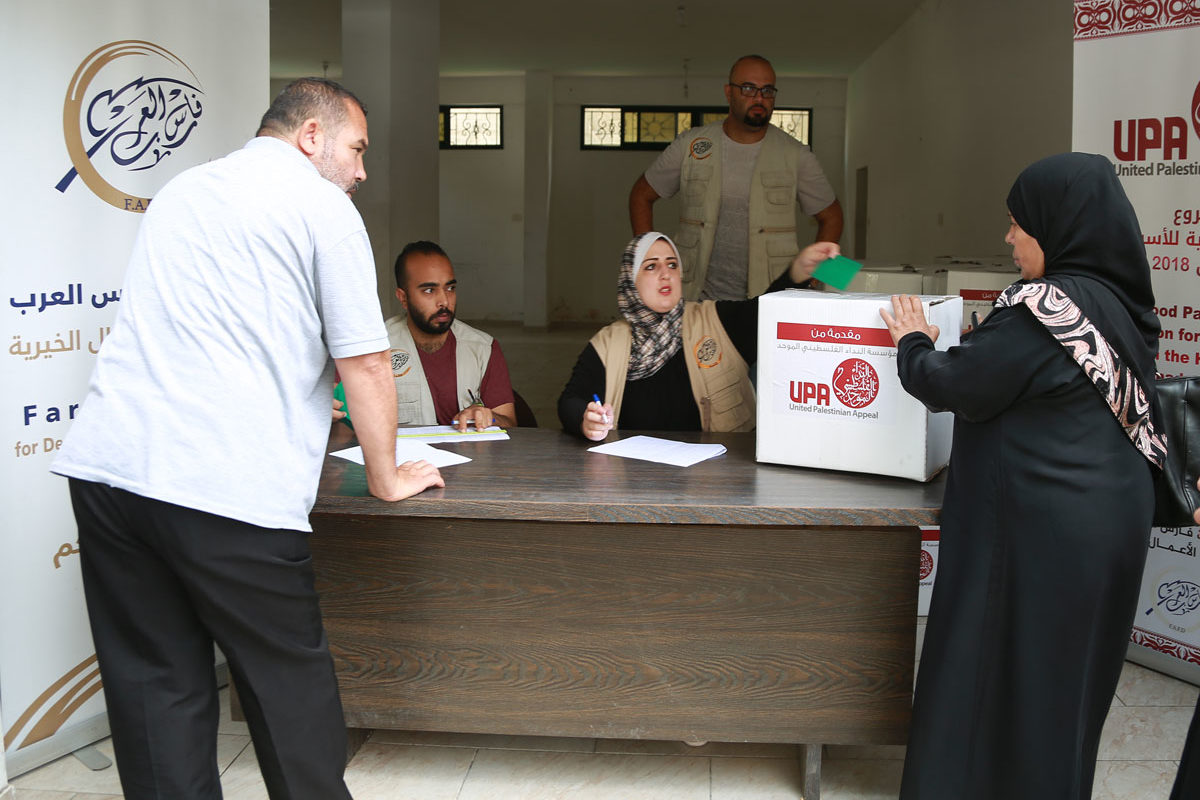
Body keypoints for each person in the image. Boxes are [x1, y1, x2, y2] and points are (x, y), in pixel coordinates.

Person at [51, 78, 444, 800]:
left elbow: (220, 329)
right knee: (288, 688)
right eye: (357, 149)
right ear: (311, 137)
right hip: (221, 485)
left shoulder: (185, 189)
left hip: (111, 474)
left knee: (156, 688)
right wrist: (386, 475)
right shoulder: (323, 207)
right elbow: (363, 359)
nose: (362, 171)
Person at [878, 152, 1165, 799]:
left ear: (1055, 225)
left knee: (999, 675)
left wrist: (913, 339)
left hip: (1045, 536)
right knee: (1064, 688)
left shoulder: (1045, 309)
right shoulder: (1118, 301)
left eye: (1017, 224)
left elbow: (951, 382)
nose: (1007, 238)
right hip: (1108, 527)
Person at [559, 231, 838, 439]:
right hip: (634, 479)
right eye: (651, 266)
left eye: (672, 264)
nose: (665, 274)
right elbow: (570, 400)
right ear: (630, 280)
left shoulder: (716, 320)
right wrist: (586, 420)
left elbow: (766, 312)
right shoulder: (609, 343)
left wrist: (796, 273)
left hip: (718, 480)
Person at [628, 54, 843, 302]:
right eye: (749, 89)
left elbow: (833, 216)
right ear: (729, 92)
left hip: (766, 301)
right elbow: (641, 195)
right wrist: (648, 262)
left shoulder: (795, 155)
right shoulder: (691, 145)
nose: (759, 98)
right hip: (695, 299)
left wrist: (818, 276)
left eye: (768, 90)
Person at [379, 240, 515, 430]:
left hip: (471, 458)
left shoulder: (483, 348)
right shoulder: (375, 349)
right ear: (403, 298)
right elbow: (346, 428)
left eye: (450, 288)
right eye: (429, 290)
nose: (444, 301)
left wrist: (490, 417)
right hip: (402, 460)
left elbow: (510, 424)